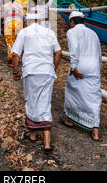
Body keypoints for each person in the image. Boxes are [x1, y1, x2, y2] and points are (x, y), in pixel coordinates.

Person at [12, 12, 62, 154]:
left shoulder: (24, 32)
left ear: (27, 21)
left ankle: (33, 134)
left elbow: (15, 54)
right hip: (47, 71)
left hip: (31, 71)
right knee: (45, 103)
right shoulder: (49, 32)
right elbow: (58, 52)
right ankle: (46, 142)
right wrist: (53, 67)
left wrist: (15, 71)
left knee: (31, 100)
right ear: (40, 20)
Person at [62, 11, 102, 141]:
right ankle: (95, 129)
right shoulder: (93, 33)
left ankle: (70, 119)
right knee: (94, 96)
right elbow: (99, 53)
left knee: (73, 91)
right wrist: (98, 68)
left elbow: (74, 50)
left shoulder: (72, 32)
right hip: (94, 66)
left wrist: (74, 67)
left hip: (81, 64)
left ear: (72, 22)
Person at [3, 0, 24, 66]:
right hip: (18, 23)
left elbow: (3, 16)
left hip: (9, 23)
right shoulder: (19, 4)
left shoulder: (5, 5)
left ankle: (10, 60)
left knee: (9, 41)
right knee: (17, 41)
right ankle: (17, 59)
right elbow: (22, 15)